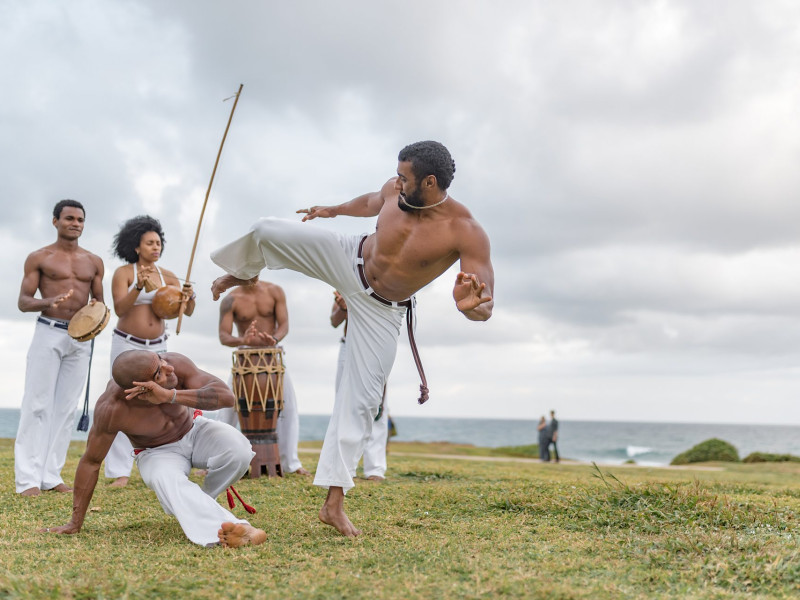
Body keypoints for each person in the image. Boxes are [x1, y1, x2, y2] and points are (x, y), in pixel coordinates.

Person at [210, 140, 494, 537]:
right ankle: (241, 271)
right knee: (266, 229)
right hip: (351, 258)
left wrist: (472, 307)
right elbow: (370, 202)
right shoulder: (394, 191)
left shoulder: (465, 231)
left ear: (429, 183)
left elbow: (484, 305)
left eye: (404, 177)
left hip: (383, 308)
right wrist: (333, 210)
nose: (396, 182)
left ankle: (333, 504)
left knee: (359, 405)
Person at [41, 349, 266, 548]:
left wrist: (170, 395)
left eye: (160, 359)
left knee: (239, 450)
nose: (169, 367)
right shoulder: (113, 408)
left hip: (195, 429)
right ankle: (241, 530)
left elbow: (227, 398)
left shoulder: (176, 364)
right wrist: (74, 522)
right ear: (139, 389)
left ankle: (197, 503)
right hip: (156, 452)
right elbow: (91, 462)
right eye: (159, 372)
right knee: (164, 478)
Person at [15, 199, 105, 497]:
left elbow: (101, 303)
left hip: (80, 339)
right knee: (37, 404)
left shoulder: (93, 261)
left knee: (66, 409)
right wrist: (47, 302)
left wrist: (96, 312)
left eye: (80, 219)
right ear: (55, 221)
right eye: (69, 218)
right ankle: (27, 479)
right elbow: (23, 301)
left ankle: (50, 475)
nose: (75, 223)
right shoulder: (39, 258)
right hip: (48, 332)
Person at [104, 215, 196, 487]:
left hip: (158, 347)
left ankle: (163, 460)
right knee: (122, 398)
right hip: (127, 342)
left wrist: (190, 298)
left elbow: (185, 312)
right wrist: (138, 287)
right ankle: (119, 471)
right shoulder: (125, 273)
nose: (155, 247)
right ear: (136, 246)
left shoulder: (167, 275)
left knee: (160, 401)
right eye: (149, 243)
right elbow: (120, 308)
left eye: (158, 243)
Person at [215, 280, 310, 476]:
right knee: (226, 411)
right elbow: (224, 336)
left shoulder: (275, 291)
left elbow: (284, 325)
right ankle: (218, 462)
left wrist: (274, 339)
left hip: (272, 358)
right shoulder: (230, 299)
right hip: (244, 361)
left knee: (289, 409)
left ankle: (291, 462)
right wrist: (243, 340)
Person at [331, 290, 389, 481]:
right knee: (344, 404)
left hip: (376, 344)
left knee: (377, 406)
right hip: (348, 345)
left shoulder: (385, 279)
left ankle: (375, 469)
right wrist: (343, 307)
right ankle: (344, 467)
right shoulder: (345, 277)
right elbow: (334, 321)